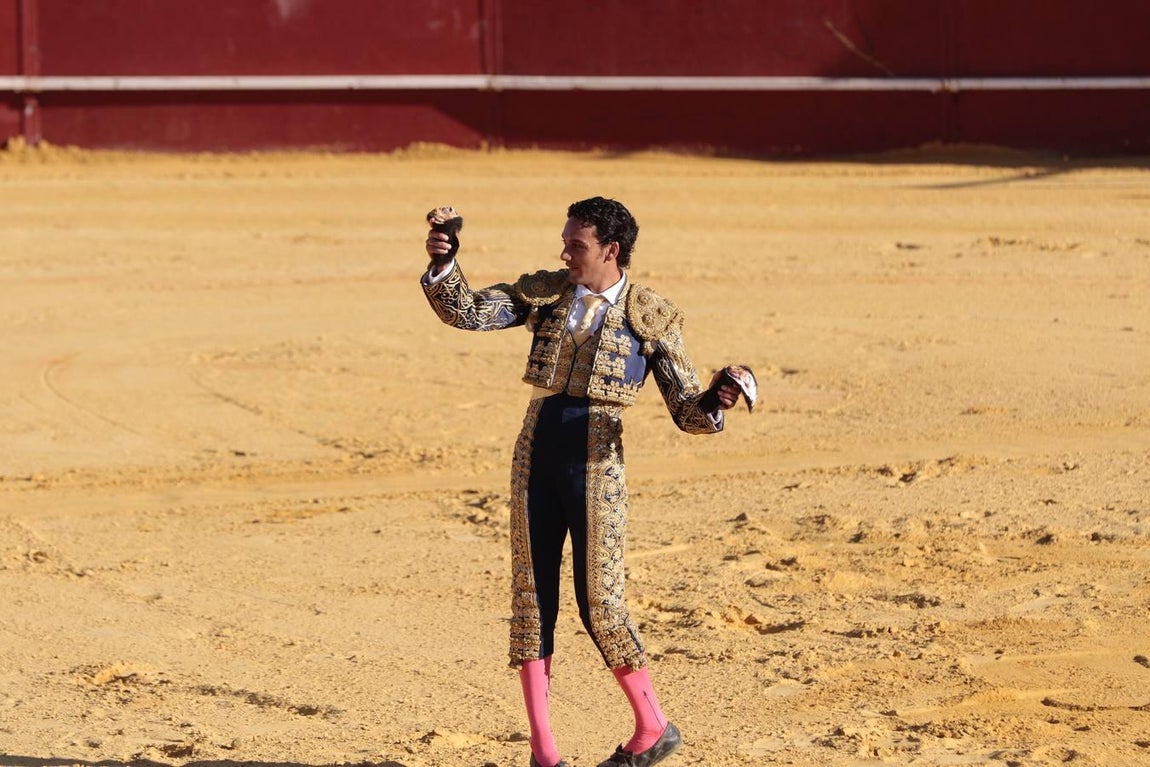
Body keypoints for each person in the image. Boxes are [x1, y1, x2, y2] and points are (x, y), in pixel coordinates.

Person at [421, 197, 743, 767]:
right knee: (532, 600)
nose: (564, 253)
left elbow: (687, 412)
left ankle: (653, 726)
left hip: (597, 464)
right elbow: (467, 312)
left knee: (600, 602)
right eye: (565, 242)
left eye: (577, 245)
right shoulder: (546, 292)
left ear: (611, 250)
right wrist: (445, 262)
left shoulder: (652, 316)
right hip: (535, 456)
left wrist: (716, 401)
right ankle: (544, 753)